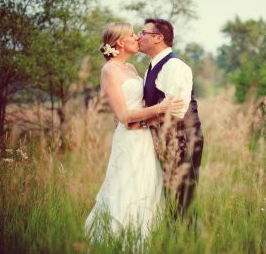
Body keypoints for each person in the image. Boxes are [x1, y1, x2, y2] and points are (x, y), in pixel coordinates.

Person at [84, 22, 184, 240]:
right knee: (126, 187)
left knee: (145, 187)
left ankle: (141, 237)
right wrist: (160, 108)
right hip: (128, 139)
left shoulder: (131, 69)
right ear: (120, 42)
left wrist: (157, 117)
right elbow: (123, 115)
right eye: (132, 35)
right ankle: (115, 238)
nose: (137, 38)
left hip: (145, 136)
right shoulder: (109, 70)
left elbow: (137, 105)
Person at [134, 18, 204, 219]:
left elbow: (176, 111)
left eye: (143, 32)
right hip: (165, 140)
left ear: (158, 38)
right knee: (169, 198)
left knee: (183, 201)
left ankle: (187, 244)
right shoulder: (152, 66)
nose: (139, 36)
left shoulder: (174, 66)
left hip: (183, 139)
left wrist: (141, 123)